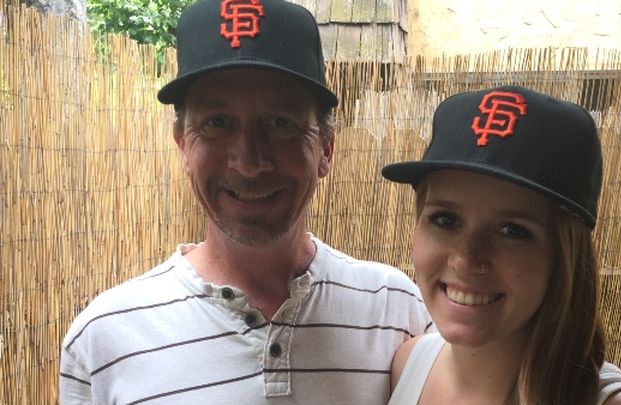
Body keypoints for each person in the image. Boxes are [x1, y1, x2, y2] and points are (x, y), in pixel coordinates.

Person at [59, 0, 432, 403]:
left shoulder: (396, 314)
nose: (250, 162)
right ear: (183, 144)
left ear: (326, 147)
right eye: (217, 123)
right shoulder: (104, 340)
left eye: (280, 123)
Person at [382, 86, 621, 404]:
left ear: (565, 256)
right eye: (445, 220)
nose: (465, 260)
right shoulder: (408, 364)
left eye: (512, 230)